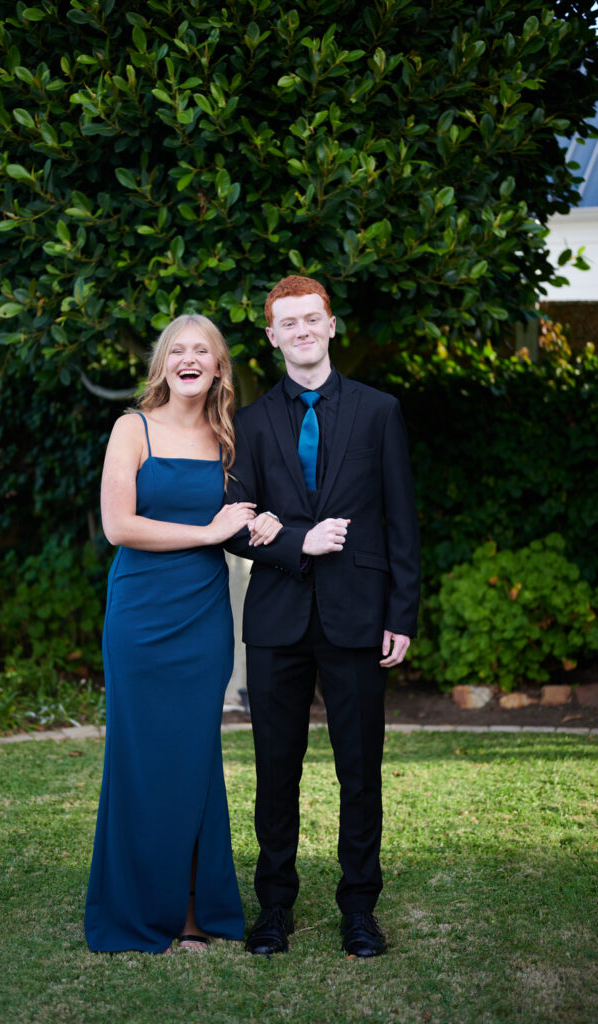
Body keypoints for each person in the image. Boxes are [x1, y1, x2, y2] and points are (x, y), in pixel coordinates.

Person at [224, 276, 421, 959]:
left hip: (359, 615)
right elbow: (234, 524)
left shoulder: (378, 411)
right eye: (288, 322)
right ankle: (274, 906)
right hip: (276, 618)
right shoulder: (248, 424)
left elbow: (400, 520)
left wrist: (401, 614)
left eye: (312, 318)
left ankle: (359, 908)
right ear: (272, 336)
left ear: (331, 325)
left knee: (359, 770)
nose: (302, 330)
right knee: (275, 769)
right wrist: (295, 542)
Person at [84, 313, 279, 954]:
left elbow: (259, 510)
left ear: (219, 367)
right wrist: (207, 532)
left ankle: (195, 910)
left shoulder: (231, 438)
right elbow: (119, 525)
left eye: (203, 351)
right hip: (140, 616)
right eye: (177, 350)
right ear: (162, 364)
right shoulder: (132, 428)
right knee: (139, 759)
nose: (189, 359)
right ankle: (137, 906)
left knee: (196, 758)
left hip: (202, 618)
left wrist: (269, 524)